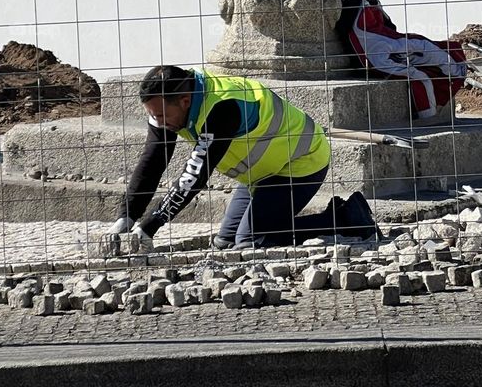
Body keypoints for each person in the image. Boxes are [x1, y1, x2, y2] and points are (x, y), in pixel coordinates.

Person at [101, 64, 380, 254]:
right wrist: (127, 216)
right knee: (225, 242)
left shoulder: (222, 107)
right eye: (153, 115)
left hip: (300, 162)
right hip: (260, 173)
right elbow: (152, 162)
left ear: (185, 101)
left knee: (250, 241)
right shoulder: (167, 106)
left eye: (161, 115)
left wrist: (151, 225)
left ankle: (347, 219)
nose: (158, 122)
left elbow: (195, 174)